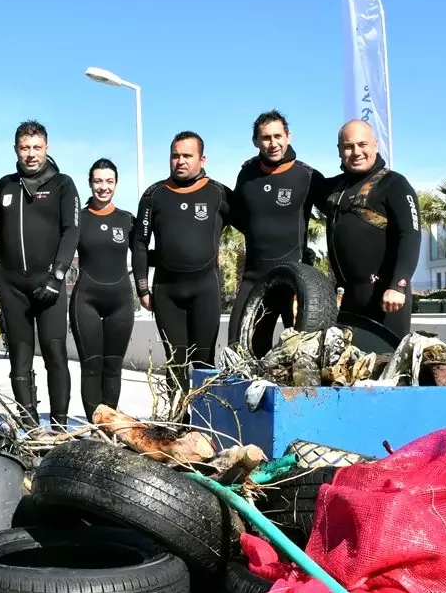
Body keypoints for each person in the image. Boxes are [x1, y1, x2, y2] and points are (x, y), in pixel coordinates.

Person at [131, 131, 232, 398]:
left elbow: (255, 225)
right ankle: (177, 424)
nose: (181, 161)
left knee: (204, 360)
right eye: (175, 155)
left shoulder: (218, 192)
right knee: (175, 361)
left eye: (188, 155)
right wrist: (143, 288)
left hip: (205, 289)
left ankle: (204, 423)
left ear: (202, 158)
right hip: (167, 291)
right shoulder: (154, 195)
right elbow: (139, 243)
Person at [0, 121, 80, 429]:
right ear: (16, 149)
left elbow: (71, 232)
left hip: (50, 286)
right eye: (24, 148)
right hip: (12, 285)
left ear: (47, 147)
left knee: (55, 354)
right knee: (19, 357)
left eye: (36, 147)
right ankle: (29, 427)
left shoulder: (63, 184)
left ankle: (58, 428)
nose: (31, 154)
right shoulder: (4, 185)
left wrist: (57, 276)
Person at [227, 110, 324, 354]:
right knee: (240, 351)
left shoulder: (306, 175)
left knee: (303, 357)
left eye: (278, 136)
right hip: (254, 278)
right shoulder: (246, 175)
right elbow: (238, 216)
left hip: (295, 281)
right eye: (266, 138)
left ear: (288, 136)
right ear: (256, 142)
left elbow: (341, 213)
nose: (273, 143)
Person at [314, 119, 421, 338]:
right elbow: (299, 177)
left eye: (362, 144)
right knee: (347, 369)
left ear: (375, 145)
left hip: (386, 299)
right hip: (348, 300)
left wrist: (399, 285)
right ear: (339, 151)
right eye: (348, 146)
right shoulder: (335, 188)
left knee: (386, 368)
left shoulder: (394, 184)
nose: (356, 152)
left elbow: (410, 235)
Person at [69, 158, 135, 420]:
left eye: (109, 181)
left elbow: (143, 255)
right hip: (86, 300)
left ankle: (110, 425)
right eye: (98, 181)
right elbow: (59, 251)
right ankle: (95, 427)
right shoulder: (78, 220)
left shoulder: (127, 219)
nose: (103, 187)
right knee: (92, 366)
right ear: (90, 183)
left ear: (116, 184)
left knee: (113, 367)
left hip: (121, 301)